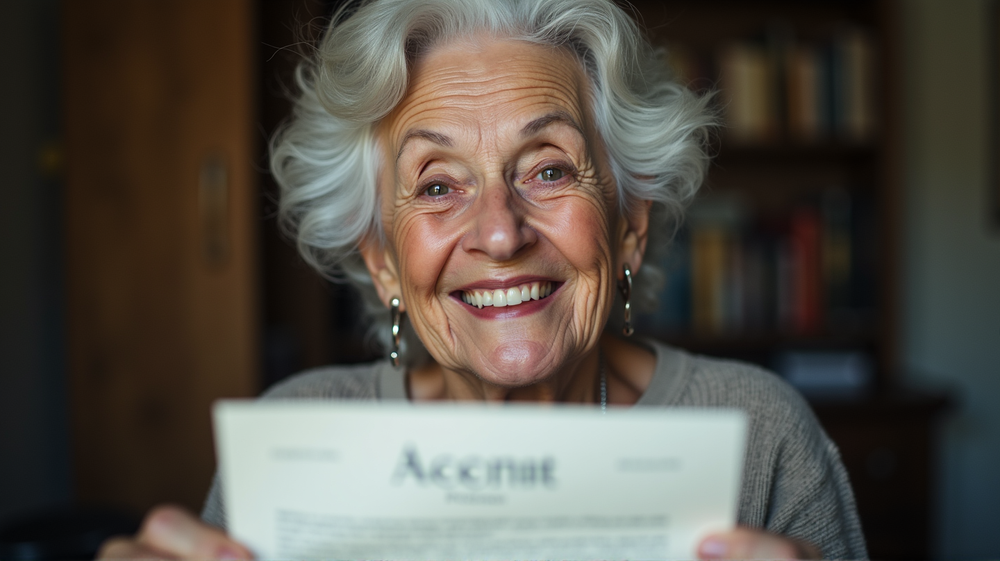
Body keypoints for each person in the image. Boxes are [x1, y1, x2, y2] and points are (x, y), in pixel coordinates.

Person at [99, 0, 868, 558]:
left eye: (549, 169)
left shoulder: (757, 433)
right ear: (381, 259)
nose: (500, 232)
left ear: (629, 224)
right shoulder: (299, 443)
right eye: (437, 185)